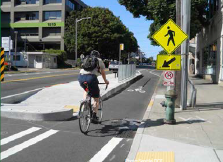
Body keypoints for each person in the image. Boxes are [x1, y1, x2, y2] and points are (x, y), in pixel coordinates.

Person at [78, 50, 109, 123]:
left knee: (86, 90)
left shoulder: (87, 59)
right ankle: (94, 116)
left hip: (81, 78)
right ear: (98, 55)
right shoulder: (99, 60)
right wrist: (106, 81)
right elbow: (103, 73)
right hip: (91, 79)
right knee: (96, 99)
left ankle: (85, 103)